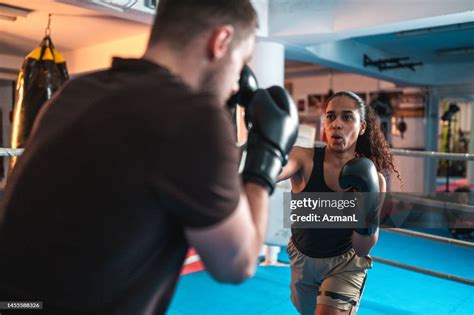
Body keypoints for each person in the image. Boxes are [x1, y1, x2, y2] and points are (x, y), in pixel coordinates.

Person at [0, 1, 299, 314]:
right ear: (221, 41)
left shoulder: (73, 93)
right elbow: (236, 264)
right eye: (242, 63)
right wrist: (267, 155)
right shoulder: (193, 116)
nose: (238, 83)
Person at [278, 91, 399, 315]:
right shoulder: (303, 158)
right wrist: (265, 147)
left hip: (345, 264)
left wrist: (366, 199)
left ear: (362, 127)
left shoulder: (374, 180)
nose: (337, 124)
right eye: (331, 117)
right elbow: (275, 172)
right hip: (303, 258)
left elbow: (362, 248)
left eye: (347, 117)